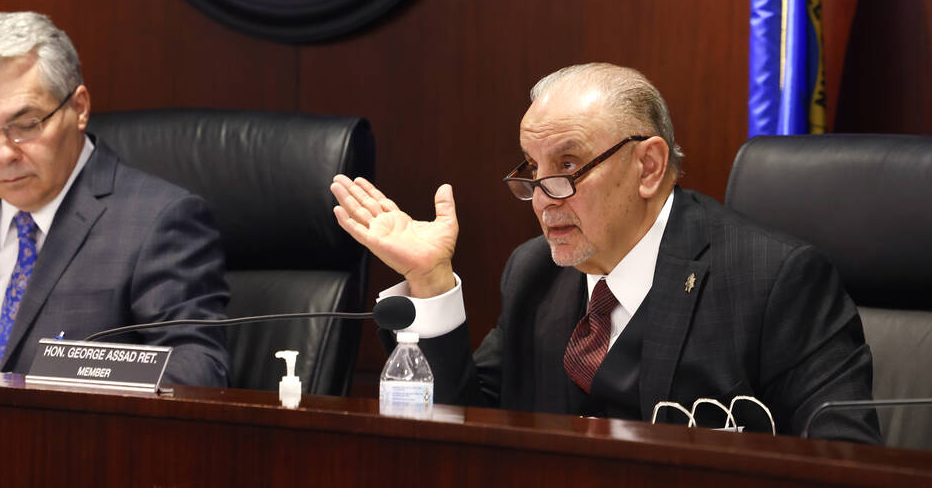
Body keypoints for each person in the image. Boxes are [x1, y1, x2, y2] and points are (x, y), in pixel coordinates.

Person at [331, 63, 879, 442]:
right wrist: (430, 279)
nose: (543, 198)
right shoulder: (534, 275)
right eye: (531, 169)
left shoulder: (773, 281)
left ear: (648, 167)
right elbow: (468, 431)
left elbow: (843, 459)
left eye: (568, 167)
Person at [0, 11, 230, 385]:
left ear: (79, 108)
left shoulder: (158, 222)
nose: (3, 154)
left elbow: (197, 372)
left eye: (25, 125)